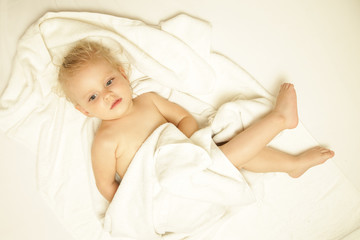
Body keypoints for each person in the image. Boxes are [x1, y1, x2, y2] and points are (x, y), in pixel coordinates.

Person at [58, 40, 335, 202]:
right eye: (93, 97)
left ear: (123, 74)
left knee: (225, 149)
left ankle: (292, 165)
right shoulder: (104, 141)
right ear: (85, 111)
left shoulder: (148, 100)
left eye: (109, 82)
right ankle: (279, 119)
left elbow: (183, 117)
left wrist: (190, 145)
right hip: (164, 188)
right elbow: (107, 186)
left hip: (187, 158)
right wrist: (138, 201)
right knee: (223, 156)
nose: (107, 95)